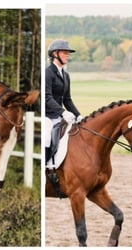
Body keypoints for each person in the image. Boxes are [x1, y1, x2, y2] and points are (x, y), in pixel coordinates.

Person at [45, 39, 83, 168]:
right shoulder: (48, 73)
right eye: (65, 53)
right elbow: (47, 97)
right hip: (48, 115)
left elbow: (67, 99)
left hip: (59, 116)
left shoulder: (66, 75)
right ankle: (46, 165)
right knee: (46, 136)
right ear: (55, 54)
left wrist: (78, 115)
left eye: (68, 53)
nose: (68, 56)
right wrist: (62, 112)